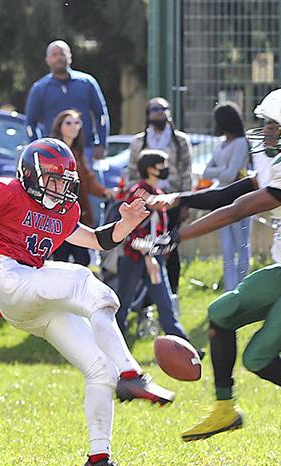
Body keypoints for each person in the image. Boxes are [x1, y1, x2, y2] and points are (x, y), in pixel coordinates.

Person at [0, 138, 174, 466]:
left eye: (65, 180)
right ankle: (133, 374)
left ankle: (98, 459)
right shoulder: (4, 192)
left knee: (99, 367)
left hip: (34, 299)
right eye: (53, 178)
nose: (60, 187)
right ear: (30, 173)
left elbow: (95, 240)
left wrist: (125, 226)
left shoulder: (63, 209)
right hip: (9, 278)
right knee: (83, 281)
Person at [142, 87, 281, 452]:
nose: (266, 130)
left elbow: (239, 209)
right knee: (221, 313)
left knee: (257, 357)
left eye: (273, 124)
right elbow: (233, 192)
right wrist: (180, 199)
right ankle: (224, 407)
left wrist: (177, 235)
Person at [114, 149, 189, 342]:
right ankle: (114, 346)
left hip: (154, 257)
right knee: (122, 305)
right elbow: (132, 228)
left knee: (165, 306)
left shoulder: (157, 193)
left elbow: (159, 228)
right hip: (135, 258)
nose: (165, 169)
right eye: (161, 165)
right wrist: (148, 256)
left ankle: (184, 347)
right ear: (150, 169)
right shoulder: (139, 193)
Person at [128, 98, 193, 295]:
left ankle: (171, 292)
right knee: (144, 247)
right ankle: (144, 299)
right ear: (148, 114)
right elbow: (131, 173)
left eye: (163, 109)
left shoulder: (180, 141)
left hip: (171, 201)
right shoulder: (138, 142)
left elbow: (186, 174)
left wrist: (185, 204)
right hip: (145, 202)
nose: (159, 113)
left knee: (170, 248)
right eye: (155, 109)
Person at [49, 109, 115, 265]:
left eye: (77, 122)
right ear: (59, 126)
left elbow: (88, 180)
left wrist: (105, 192)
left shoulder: (78, 153)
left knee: (82, 259)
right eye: (69, 123)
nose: (73, 126)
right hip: (56, 212)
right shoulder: (54, 150)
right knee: (61, 258)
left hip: (76, 213)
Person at [25, 41, 109, 160]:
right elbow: (30, 123)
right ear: (48, 60)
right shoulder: (39, 88)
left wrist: (102, 144)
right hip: (54, 153)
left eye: (62, 53)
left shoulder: (87, 83)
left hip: (86, 150)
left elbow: (101, 115)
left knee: (91, 179)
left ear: (69, 57)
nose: (59, 57)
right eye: (54, 54)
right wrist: (37, 148)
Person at [203, 102, 252, 291]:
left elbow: (231, 176)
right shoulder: (221, 144)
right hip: (222, 198)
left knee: (242, 246)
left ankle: (242, 288)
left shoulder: (241, 143)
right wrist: (224, 170)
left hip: (241, 197)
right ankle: (230, 291)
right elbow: (206, 172)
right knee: (227, 249)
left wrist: (222, 171)